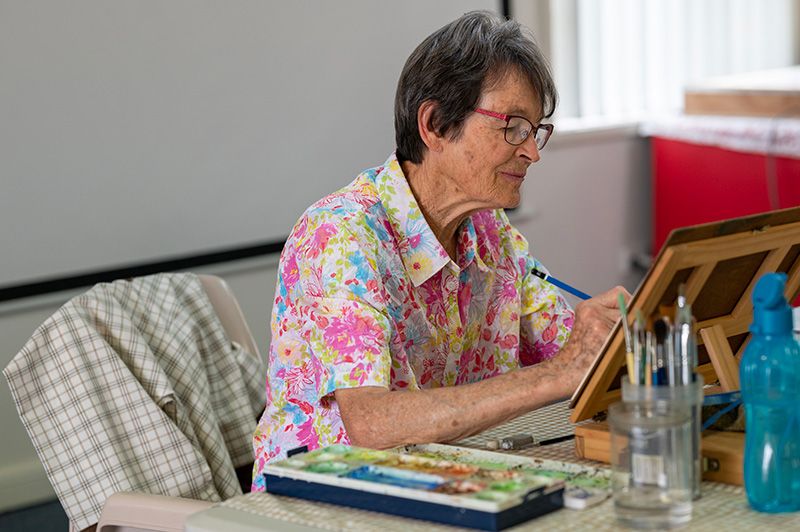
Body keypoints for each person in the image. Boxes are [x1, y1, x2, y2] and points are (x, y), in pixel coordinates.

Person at [251, 10, 628, 491]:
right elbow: (370, 424)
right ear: (433, 124)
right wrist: (561, 372)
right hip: (321, 501)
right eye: (513, 126)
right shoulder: (341, 235)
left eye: (535, 131)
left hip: (445, 486)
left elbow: (576, 352)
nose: (532, 151)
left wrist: (621, 340)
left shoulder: (489, 232)